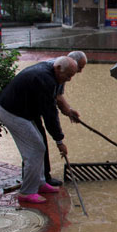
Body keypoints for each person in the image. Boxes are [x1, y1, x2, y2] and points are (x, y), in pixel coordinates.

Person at [0, 56, 78, 204]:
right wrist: (59, 140)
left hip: (24, 111)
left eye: (72, 76)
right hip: (12, 112)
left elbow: (52, 107)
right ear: (58, 68)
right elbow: (49, 114)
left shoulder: (51, 72)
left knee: (39, 146)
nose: (69, 79)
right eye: (68, 76)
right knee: (34, 150)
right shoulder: (45, 80)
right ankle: (27, 192)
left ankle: (40, 183)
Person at [36, 51, 88, 186]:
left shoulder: (63, 71)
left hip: (36, 107)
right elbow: (51, 111)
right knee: (37, 143)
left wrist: (69, 111)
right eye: (80, 68)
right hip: (27, 110)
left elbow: (58, 96)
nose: (80, 72)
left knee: (40, 142)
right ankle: (38, 180)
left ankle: (44, 177)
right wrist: (59, 140)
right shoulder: (55, 73)